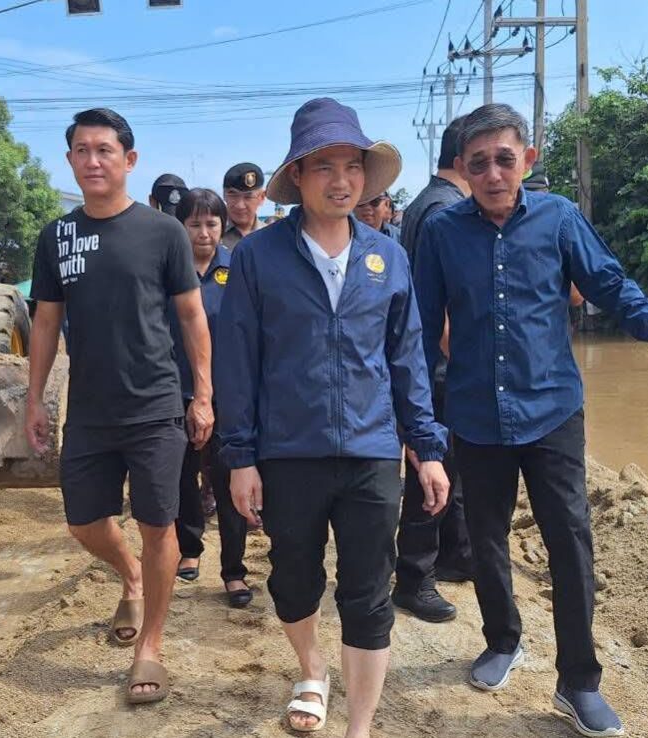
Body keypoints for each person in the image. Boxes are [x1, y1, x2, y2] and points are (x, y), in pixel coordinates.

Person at [413, 103, 648, 738]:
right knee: (486, 536)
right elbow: (419, 330)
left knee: (570, 540)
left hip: (552, 409)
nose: (494, 174)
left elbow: (610, 284)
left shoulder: (558, 218)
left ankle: (578, 681)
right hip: (474, 414)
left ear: (528, 160)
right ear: (463, 169)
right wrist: (418, 425)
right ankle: (502, 640)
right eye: (479, 163)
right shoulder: (442, 233)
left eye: (505, 159)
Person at [216, 98, 450, 738]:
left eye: (352, 166)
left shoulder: (388, 257)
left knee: (368, 593)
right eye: (324, 166)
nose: (341, 180)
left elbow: (407, 358)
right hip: (289, 453)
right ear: (297, 176)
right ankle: (311, 668)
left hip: (373, 452)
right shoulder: (259, 257)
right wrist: (240, 457)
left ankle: (360, 727)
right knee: (294, 582)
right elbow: (238, 361)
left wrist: (425, 448)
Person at [25, 108, 214, 707]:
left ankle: (150, 646)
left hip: (156, 405)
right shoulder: (57, 236)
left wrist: (203, 393)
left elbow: (192, 315)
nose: (93, 160)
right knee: (83, 522)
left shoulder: (163, 233)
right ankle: (130, 576)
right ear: (70, 160)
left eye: (104, 150)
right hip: (89, 410)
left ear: (129, 160)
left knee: (160, 526)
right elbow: (46, 321)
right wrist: (34, 398)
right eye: (81, 150)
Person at [391, 116, 474, 625]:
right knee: (433, 467)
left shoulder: (426, 201)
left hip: (429, 363)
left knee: (449, 467)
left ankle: (454, 555)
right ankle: (414, 577)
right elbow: (441, 308)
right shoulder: (446, 209)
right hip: (439, 366)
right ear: (464, 158)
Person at [166, 187, 258, 608]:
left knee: (228, 481)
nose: (203, 233)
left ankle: (234, 571)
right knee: (181, 478)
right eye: (194, 224)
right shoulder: (167, 270)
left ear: (223, 226)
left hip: (229, 395)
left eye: (211, 224)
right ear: (181, 226)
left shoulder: (238, 268)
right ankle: (190, 547)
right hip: (176, 391)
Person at [221, 162, 267, 247]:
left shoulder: (271, 236)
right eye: (233, 195)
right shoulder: (213, 234)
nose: (240, 205)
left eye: (248, 197)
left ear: (262, 197)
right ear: (224, 195)